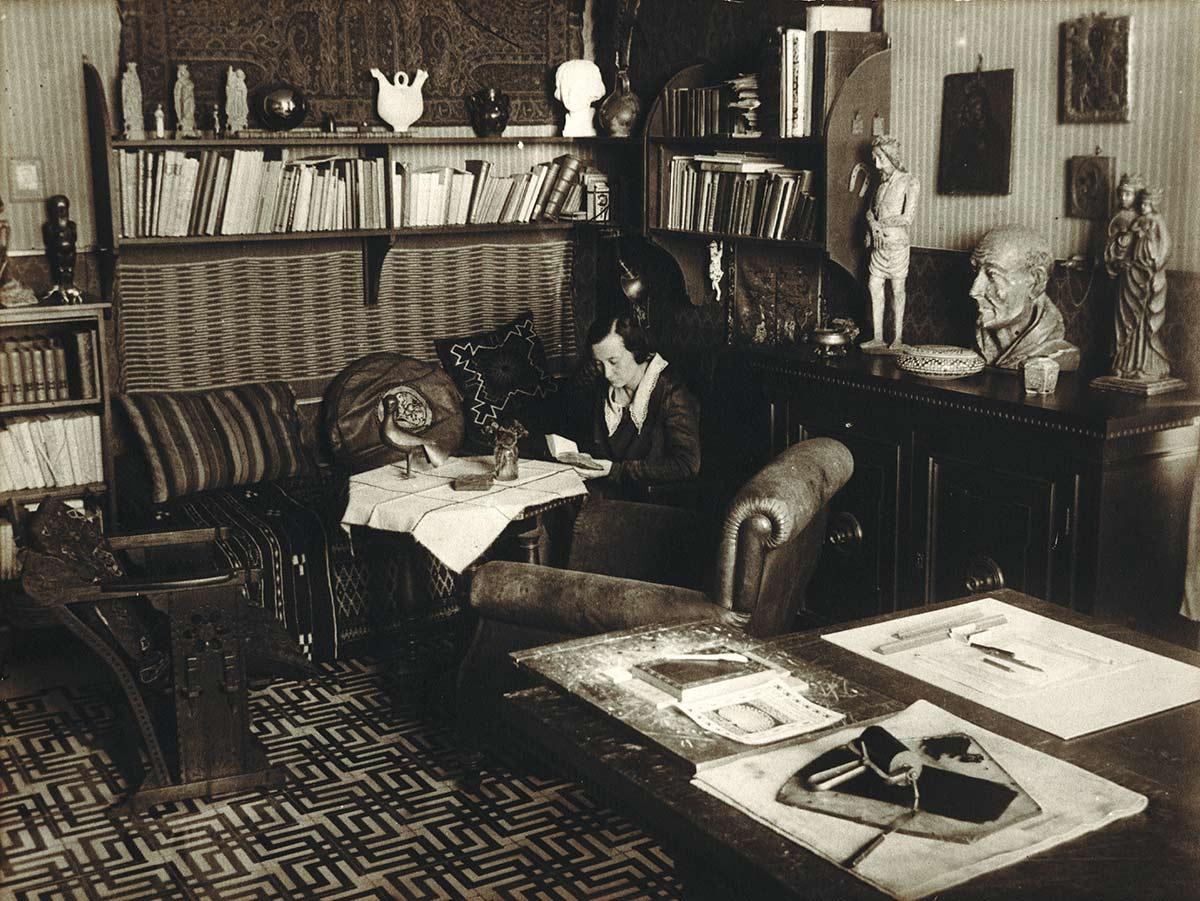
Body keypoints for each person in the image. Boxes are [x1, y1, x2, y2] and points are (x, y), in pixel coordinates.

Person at [570, 313, 700, 494]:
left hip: (651, 504)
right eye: (599, 364)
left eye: (613, 361)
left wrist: (615, 471)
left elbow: (686, 465)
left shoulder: (670, 392)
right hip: (607, 495)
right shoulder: (603, 388)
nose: (607, 373)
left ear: (636, 351)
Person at [969, 224, 1079, 371]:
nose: (975, 290)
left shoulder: (1054, 354)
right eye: (976, 270)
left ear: (1036, 282)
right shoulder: (980, 340)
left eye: (992, 275)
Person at [861, 135, 919, 352]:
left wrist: (880, 224)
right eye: (874, 158)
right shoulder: (880, 185)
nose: (876, 164)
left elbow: (907, 218)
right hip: (878, 247)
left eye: (879, 158)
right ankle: (877, 337)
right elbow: (869, 211)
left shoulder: (909, 181)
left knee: (897, 290)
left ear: (891, 157)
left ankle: (897, 339)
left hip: (897, 246)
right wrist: (873, 225)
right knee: (873, 286)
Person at [1111, 187, 1172, 381]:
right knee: (1129, 317)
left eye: (1147, 204)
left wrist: (1156, 266)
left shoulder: (1158, 222)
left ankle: (1144, 365)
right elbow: (1126, 243)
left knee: (1144, 321)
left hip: (1148, 274)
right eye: (1142, 203)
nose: (1144, 207)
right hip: (1132, 273)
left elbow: (1166, 246)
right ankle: (1125, 364)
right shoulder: (1137, 221)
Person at [554, 59, 605, 137]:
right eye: (566, 85)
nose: (571, 92)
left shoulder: (600, 129)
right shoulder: (567, 128)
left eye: (578, 86)